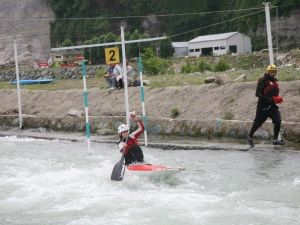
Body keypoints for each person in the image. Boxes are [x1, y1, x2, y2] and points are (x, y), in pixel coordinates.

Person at [246, 64, 285, 147]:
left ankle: (275, 140)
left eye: (274, 72)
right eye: (271, 72)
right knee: (257, 123)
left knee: (278, 120)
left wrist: (277, 98)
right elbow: (257, 94)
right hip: (262, 107)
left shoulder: (275, 81)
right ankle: (250, 137)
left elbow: (274, 93)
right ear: (267, 72)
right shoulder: (262, 80)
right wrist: (269, 99)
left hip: (272, 106)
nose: (273, 74)